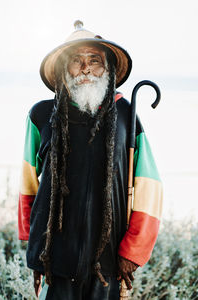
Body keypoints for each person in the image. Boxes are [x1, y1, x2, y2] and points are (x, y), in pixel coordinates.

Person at [18, 21, 163, 300]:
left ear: (107, 68)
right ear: (63, 69)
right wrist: (34, 249)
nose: (85, 68)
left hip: (106, 262)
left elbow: (149, 187)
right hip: (54, 259)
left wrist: (133, 251)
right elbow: (28, 185)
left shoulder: (125, 115)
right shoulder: (41, 115)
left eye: (94, 60)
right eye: (76, 60)